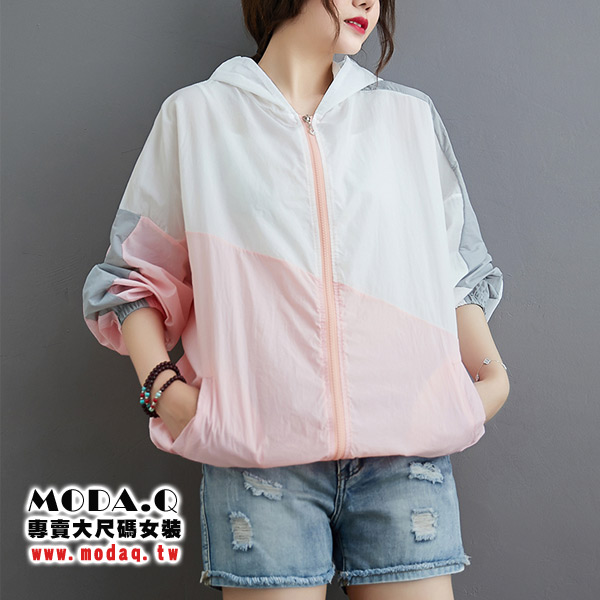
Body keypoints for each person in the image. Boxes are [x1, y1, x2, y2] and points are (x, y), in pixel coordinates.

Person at [82, 0, 510, 598]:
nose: (368, 2)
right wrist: (165, 391)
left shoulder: (408, 116)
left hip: (406, 458)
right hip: (261, 461)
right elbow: (134, 277)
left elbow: (456, 271)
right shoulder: (197, 116)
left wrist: (491, 380)